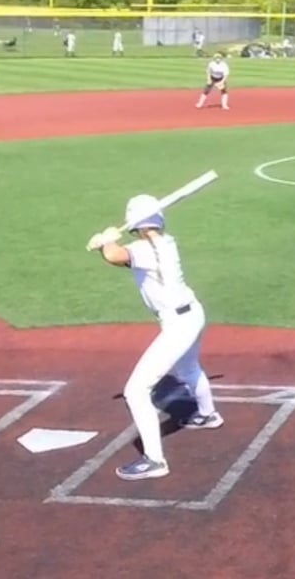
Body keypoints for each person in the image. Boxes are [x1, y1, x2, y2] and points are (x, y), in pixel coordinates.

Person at [85, 196, 223, 481]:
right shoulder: (164, 243)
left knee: (135, 391)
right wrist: (105, 245)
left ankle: (155, 460)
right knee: (188, 368)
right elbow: (122, 259)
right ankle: (207, 414)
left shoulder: (144, 249)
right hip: (191, 314)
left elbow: (115, 256)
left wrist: (107, 241)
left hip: (178, 324)